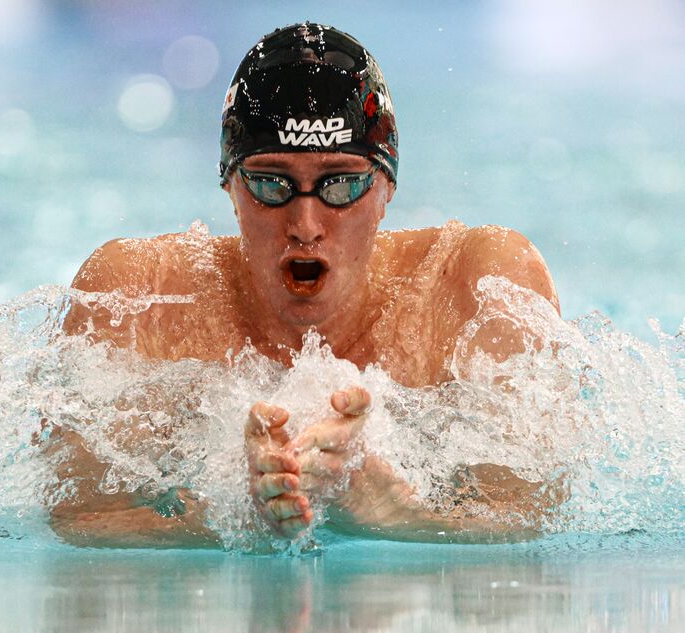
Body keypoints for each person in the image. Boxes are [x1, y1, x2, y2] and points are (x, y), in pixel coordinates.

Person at [51, 22, 560, 548]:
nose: (306, 224)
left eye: (340, 183)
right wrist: (230, 516)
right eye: (272, 183)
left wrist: (401, 515)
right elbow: (80, 521)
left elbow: (535, 517)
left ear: (387, 186)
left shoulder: (477, 290)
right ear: (230, 185)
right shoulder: (139, 298)